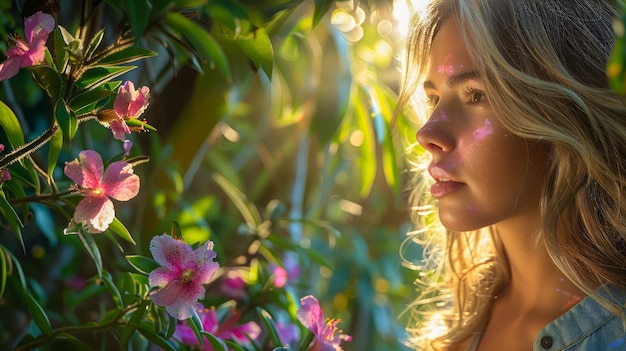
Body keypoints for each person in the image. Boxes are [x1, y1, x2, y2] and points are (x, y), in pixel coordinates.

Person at [396, 0, 626, 350]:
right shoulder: (457, 330)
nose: (427, 133)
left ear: (562, 109)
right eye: (433, 97)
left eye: (475, 94)